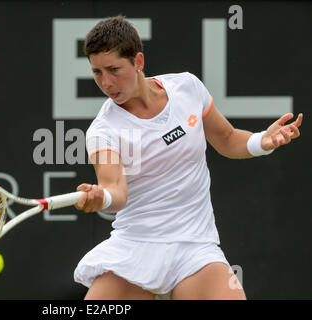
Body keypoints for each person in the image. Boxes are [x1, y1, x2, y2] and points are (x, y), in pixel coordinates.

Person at [72, 15, 303, 300]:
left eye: (114, 69)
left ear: (138, 62)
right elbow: (115, 191)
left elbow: (227, 139)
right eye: (97, 73)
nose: (106, 82)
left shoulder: (187, 88)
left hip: (195, 245)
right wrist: (102, 198)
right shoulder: (104, 130)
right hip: (136, 246)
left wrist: (261, 141)